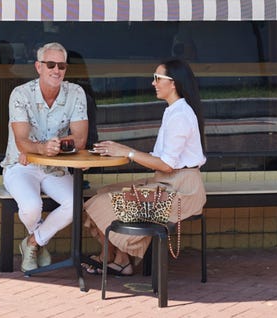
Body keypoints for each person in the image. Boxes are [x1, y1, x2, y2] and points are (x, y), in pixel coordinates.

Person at [82, 58, 207, 276]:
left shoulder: (180, 115)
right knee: (100, 193)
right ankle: (119, 259)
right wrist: (124, 151)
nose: (153, 83)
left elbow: (167, 165)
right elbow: (164, 161)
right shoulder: (173, 111)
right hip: (168, 183)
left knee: (102, 203)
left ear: (174, 83)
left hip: (182, 192)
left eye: (158, 78)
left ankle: (115, 259)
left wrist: (127, 152)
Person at [2, 42, 89, 272]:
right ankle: (39, 240)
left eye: (61, 65)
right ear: (38, 66)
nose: (56, 70)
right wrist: (41, 149)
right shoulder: (20, 94)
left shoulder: (76, 93)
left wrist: (54, 148)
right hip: (22, 164)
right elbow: (21, 141)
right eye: (50, 64)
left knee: (74, 205)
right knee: (31, 206)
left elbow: (80, 139)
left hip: (56, 166)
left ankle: (33, 242)